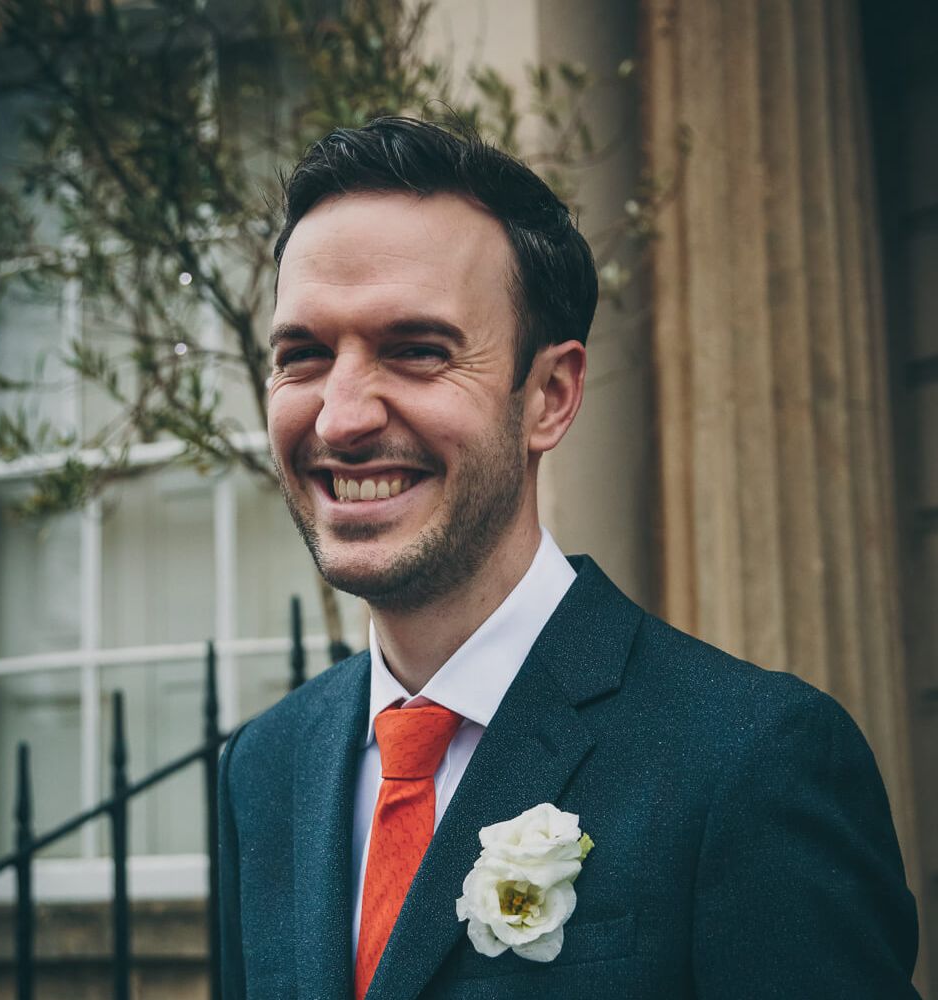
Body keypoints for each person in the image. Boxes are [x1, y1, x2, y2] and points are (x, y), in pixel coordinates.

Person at [218, 116, 920, 999]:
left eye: (418, 352)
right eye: (304, 356)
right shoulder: (265, 768)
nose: (342, 416)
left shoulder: (753, 762)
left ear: (549, 395)